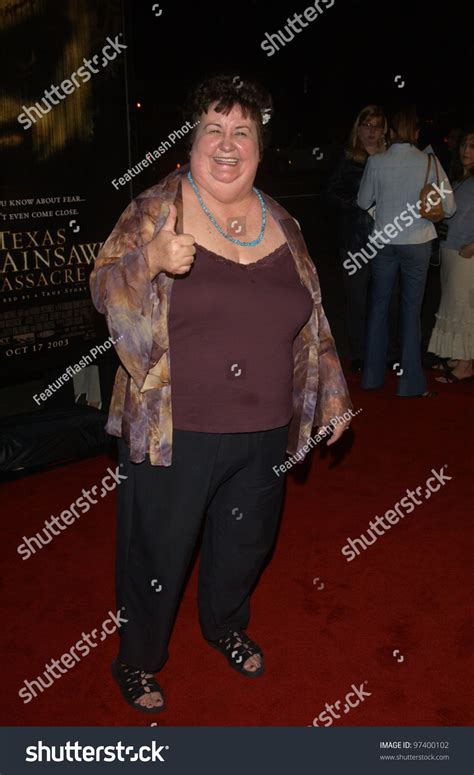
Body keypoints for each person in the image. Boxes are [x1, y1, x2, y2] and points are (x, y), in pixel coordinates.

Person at [89, 74, 352, 713]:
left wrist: (334, 391)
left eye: (243, 132)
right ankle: (139, 659)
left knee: (246, 540)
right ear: (193, 140)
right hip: (176, 426)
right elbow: (103, 288)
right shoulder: (157, 207)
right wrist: (148, 260)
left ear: (260, 147)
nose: (228, 144)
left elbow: (311, 313)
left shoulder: (283, 220)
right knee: (159, 548)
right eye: (215, 130)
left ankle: (225, 624)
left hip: (265, 425)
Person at [358, 107, 456, 397]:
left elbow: (363, 201)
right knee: (411, 312)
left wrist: (382, 213)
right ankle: (410, 382)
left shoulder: (376, 162)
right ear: (415, 131)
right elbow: (449, 207)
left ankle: (372, 377)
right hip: (418, 242)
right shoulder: (429, 161)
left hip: (384, 241)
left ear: (389, 132)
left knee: (378, 306)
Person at [328, 105, 393, 373]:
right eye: (367, 125)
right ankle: (358, 354)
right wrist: (360, 204)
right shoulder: (347, 158)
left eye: (377, 126)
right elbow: (330, 194)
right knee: (356, 299)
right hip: (355, 240)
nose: (371, 131)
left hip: (389, 238)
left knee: (386, 297)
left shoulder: (392, 158)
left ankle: (385, 351)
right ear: (359, 127)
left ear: (384, 130)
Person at [428, 128, 474, 383]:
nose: (466, 151)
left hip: (466, 255)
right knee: (453, 306)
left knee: (465, 309)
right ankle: (458, 356)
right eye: (464, 145)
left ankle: (466, 366)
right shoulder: (460, 178)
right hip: (450, 251)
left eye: (472, 146)